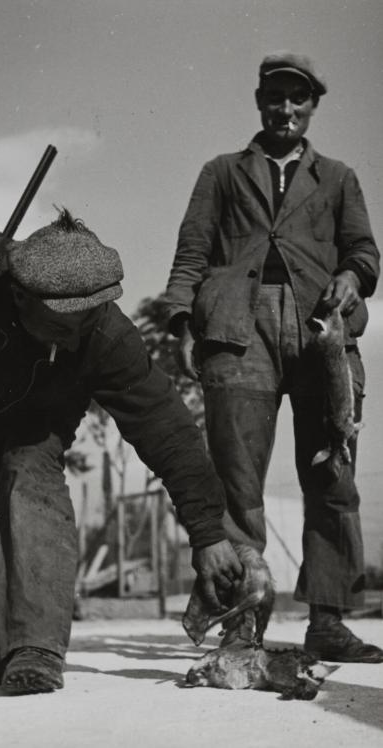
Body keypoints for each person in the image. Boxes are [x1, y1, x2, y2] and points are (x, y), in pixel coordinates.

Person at [0, 208, 243, 695]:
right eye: (59, 323)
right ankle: (4, 645)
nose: (73, 336)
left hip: (39, 423)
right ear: (22, 297)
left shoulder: (108, 338)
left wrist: (208, 534)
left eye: (86, 319)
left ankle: (36, 650)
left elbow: (168, 432)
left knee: (29, 482)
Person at [164, 51, 383, 663]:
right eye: (275, 98)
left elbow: (366, 252)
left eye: (299, 99)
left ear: (313, 105)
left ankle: (329, 622)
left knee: (332, 474)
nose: (286, 110)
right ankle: (241, 624)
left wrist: (351, 278)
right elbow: (191, 253)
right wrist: (183, 322)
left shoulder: (338, 177)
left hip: (323, 335)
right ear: (259, 101)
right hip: (237, 333)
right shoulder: (221, 172)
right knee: (238, 486)